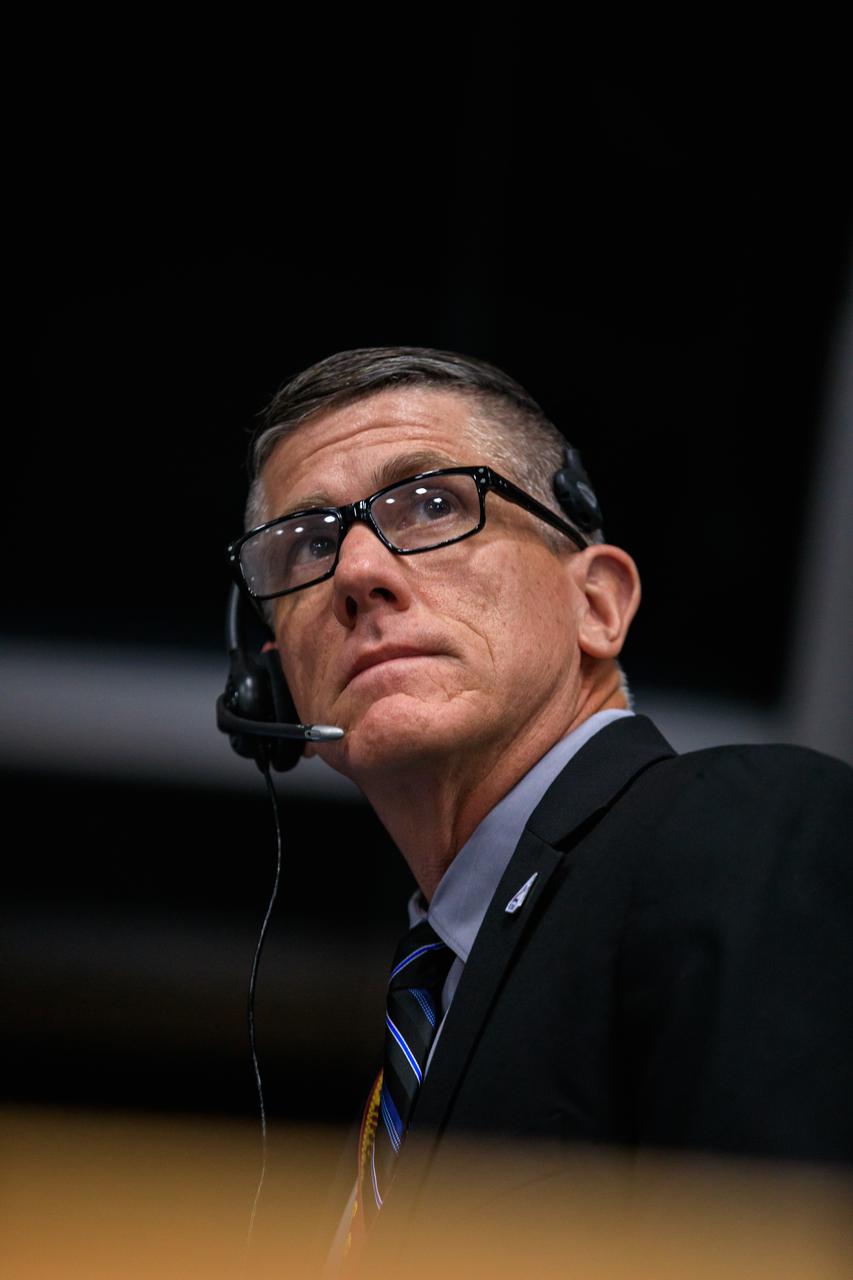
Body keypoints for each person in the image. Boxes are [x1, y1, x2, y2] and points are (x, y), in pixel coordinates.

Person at [227, 347, 853, 1266]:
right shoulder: (430, 1012)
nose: (358, 569)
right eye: (311, 543)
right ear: (278, 684)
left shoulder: (742, 825)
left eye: (432, 503)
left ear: (596, 603)